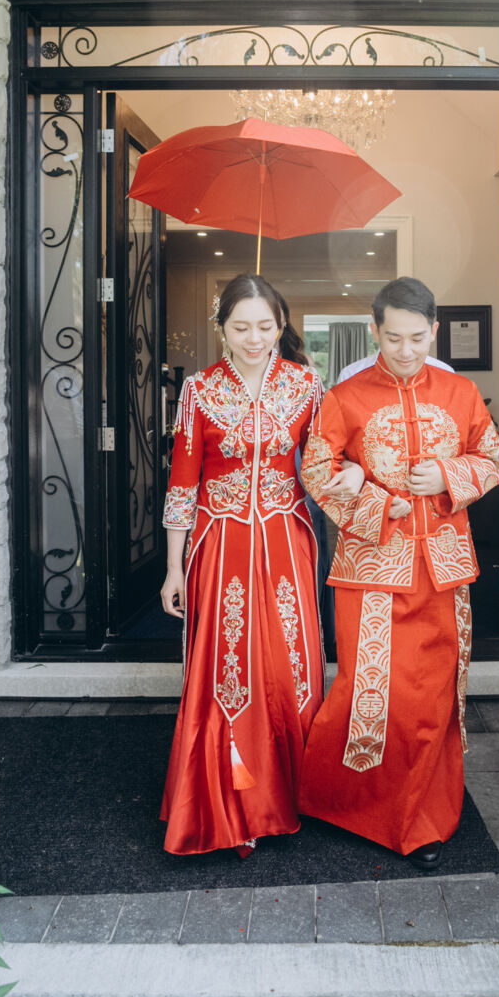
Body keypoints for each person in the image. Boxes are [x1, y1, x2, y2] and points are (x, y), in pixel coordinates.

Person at [299, 276, 499, 869]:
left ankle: (421, 818)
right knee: (373, 694)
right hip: (372, 570)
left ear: (434, 331)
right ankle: (353, 805)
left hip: (443, 569)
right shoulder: (345, 396)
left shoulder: (461, 392)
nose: (406, 350)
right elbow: (316, 470)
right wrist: (374, 503)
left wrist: (448, 477)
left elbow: (492, 459)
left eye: (417, 338)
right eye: (393, 338)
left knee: (433, 697)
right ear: (375, 331)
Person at [159, 274, 327, 856]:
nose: (254, 338)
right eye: (240, 327)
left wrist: (355, 475)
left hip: (286, 539)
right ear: (221, 329)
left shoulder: (306, 384)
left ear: (281, 326)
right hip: (220, 542)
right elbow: (183, 484)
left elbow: (324, 465)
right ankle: (229, 802)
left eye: (264, 326)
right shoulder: (199, 390)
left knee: (289, 664)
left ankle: (295, 795)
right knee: (227, 670)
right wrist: (174, 567)